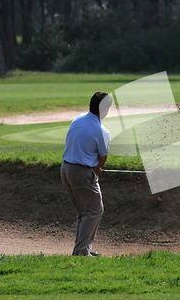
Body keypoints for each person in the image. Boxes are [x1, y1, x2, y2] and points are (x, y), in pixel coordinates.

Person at [60, 92, 113, 256]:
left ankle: (83, 249)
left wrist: (94, 166)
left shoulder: (78, 118)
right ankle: (81, 251)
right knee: (94, 211)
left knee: (84, 212)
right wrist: (97, 168)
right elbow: (102, 157)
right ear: (105, 110)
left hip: (66, 170)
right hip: (81, 173)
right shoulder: (102, 131)